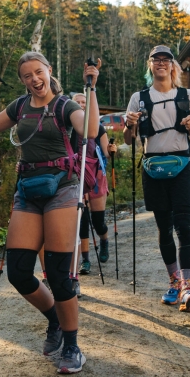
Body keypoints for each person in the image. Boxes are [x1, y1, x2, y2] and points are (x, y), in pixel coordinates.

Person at [0, 53, 100, 374]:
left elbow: (89, 130)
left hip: (62, 188)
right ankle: (54, 320)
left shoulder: (64, 106)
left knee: (59, 275)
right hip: (28, 190)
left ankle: (72, 346)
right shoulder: (20, 107)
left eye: (38, 72)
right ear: (22, 81)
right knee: (18, 271)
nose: (34, 79)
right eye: (27, 75)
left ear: (49, 71)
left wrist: (91, 88)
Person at [122, 45, 190, 312]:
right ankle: (175, 282)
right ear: (150, 65)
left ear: (173, 66)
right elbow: (128, 140)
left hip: (181, 164)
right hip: (153, 168)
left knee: (183, 226)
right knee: (164, 228)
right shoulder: (138, 98)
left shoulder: (187, 95)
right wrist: (129, 123)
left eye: (166, 60)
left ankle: (187, 288)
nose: (161, 63)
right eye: (156, 59)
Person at [70, 92, 110, 276]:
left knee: (98, 221)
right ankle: (85, 260)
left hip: (97, 175)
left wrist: (112, 151)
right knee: (82, 220)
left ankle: (104, 240)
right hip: (76, 176)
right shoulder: (69, 128)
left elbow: (106, 152)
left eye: (84, 101)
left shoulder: (98, 128)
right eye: (77, 102)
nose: (81, 104)